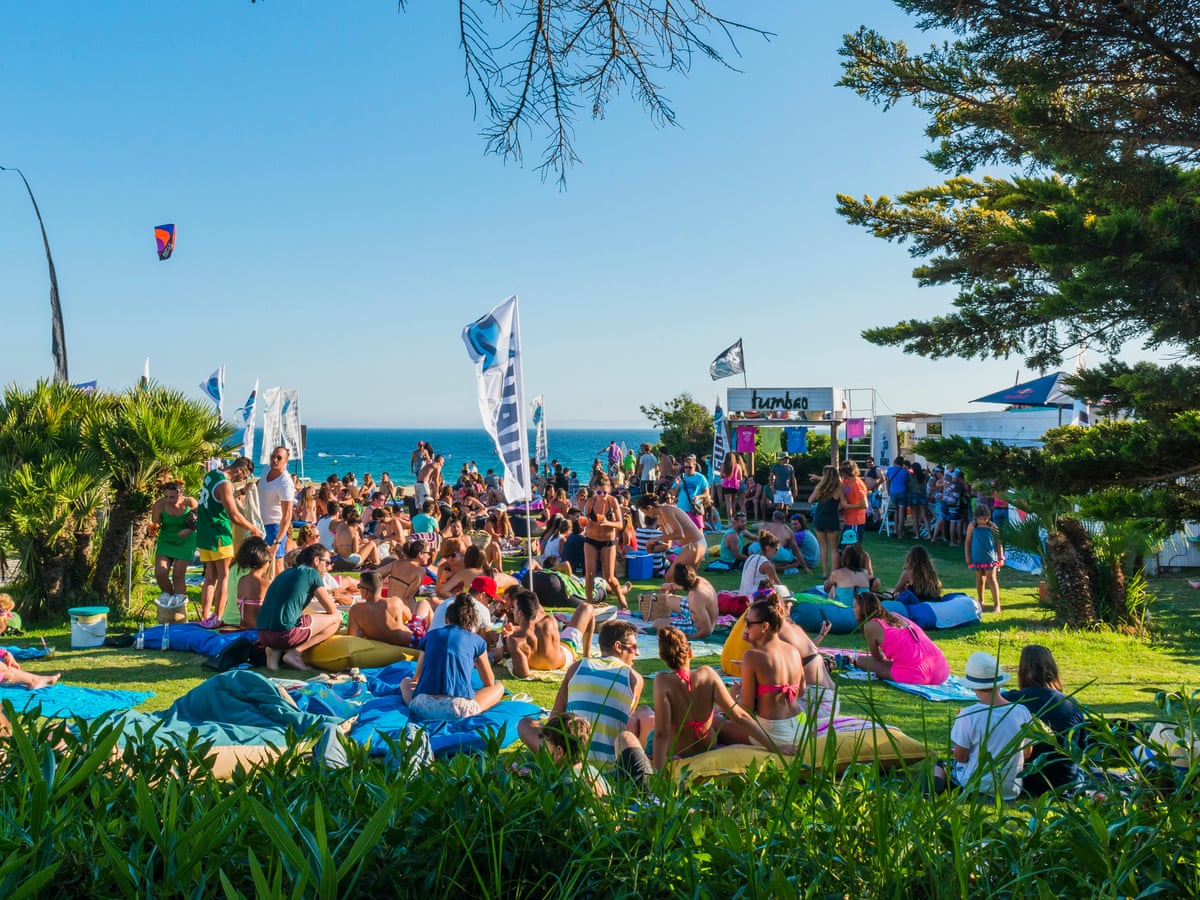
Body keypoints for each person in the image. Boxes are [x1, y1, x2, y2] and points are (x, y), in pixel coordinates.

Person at [641, 626, 772, 768]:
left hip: (678, 749)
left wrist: (659, 774)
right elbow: (739, 716)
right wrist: (773, 745)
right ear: (690, 652)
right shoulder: (707, 675)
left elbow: (661, 734)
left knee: (645, 720)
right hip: (705, 746)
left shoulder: (662, 681)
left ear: (662, 656)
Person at [518, 620, 644, 763]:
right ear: (618, 646)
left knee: (525, 723)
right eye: (634, 647)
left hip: (569, 760)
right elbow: (627, 726)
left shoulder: (577, 667)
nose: (637, 653)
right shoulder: (634, 679)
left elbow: (555, 717)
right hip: (609, 763)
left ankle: (555, 758)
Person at [939, 651, 1033, 800]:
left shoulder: (968, 715)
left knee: (941, 764)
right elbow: (1026, 753)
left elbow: (961, 757)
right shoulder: (1021, 711)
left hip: (977, 785)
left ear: (973, 686)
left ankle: (933, 788)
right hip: (1011, 789)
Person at [400, 592, 505, 720]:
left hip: (424, 707)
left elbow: (417, 678)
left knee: (405, 682)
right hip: (459, 710)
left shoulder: (430, 636)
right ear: (472, 622)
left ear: (446, 619)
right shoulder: (477, 641)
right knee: (498, 687)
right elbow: (489, 681)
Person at [720, 597, 805, 752]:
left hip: (774, 733)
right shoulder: (793, 650)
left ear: (765, 626)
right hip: (801, 725)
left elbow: (746, 712)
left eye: (749, 624)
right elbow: (802, 691)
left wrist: (733, 696)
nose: (745, 628)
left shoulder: (751, 657)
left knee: (714, 724)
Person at [1002, 644, 1085, 796]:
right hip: (1064, 780)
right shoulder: (1071, 704)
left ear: (1022, 670)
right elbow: (1081, 749)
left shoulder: (1009, 701)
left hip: (1024, 779)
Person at [196, 457, 262, 628]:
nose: (241, 480)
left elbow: (218, 499)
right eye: (243, 476)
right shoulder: (224, 484)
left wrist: (240, 492)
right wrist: (253, 528)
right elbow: (234, 515)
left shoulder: (211, 475)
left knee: (210, 577)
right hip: (219, 533)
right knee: (224, 576)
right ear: (240, 470)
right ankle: (218, 616)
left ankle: (205, 616)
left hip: (205, 533)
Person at [256, 544, 342, 671]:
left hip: (263, 633)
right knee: (336, 618)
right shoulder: (312, 573)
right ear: (316, 560)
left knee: (286, 621)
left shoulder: (285, 573)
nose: (328, 568)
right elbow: (332, 610)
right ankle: (296, 653)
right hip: (284, 634)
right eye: (327, 563)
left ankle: (273, 655)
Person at [846, 591, 950, 685]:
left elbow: (877, 658)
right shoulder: (895, 616)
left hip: (917, 675)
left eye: (855, 607)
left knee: (861, 660)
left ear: (863, 609)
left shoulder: (870, 626)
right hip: (941, 671)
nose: (852, 610)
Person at [504, 588, 597, 675]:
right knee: (587, 607)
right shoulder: (548, 621)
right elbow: (533, 628)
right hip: (562, 659)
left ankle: (586, 658)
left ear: (520, 613)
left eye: (513, 608)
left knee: (586, 607)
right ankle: (586, 657)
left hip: (557, 654)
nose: (512, 611)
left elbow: (522, 673)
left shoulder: (515, 640)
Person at [582, 474, 629, 610]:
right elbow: (586, 520)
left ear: (608, 491)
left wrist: (608, 522)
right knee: (589, 574)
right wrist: (584, 524)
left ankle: (622, 600)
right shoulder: (591, 502)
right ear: (595, 490)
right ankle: (589, 605)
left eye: (604, 492)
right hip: (591, 539)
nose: (602, 495)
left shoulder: (612, 501)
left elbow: (620, 524)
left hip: (608, 541)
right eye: (599, 492)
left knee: (609, 577)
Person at [151, 481, 198, 603]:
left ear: (180, 494)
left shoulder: (190, 502)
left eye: (172, 497)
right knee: (160, 572)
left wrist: (188, 530)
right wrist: (152, 529)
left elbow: (199, 520)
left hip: (186, 541)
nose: (168, 500)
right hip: (166, 540)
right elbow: (155, 524)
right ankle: (171, 597)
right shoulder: (159, 505)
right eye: (166, 496)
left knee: (178, 575)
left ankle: (180, 607)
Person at [375, 539, 435, 631]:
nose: (429, 556)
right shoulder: (420, 570)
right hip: (403, 615)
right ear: (420, 554)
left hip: (387, 609)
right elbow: (409, 597)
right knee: (425, 604)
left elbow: (375, 574)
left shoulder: (397, 563)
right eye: (428, 553)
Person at [636, 493, 706, 570]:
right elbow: (667, 544)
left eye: (644, 512)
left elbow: (680, 534)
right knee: (682, 578)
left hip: (696, 544)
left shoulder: (666, 510)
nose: (646, 515)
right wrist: (651, 548)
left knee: (672, 576)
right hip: (689, 546)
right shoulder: (660, 518)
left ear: (649, 508)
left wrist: (657, 538)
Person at [648, 563, 718, 639]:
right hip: (696, 612)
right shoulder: (699, 580)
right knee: (664, 599)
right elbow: (686, 583)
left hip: (696, 627)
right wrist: (671, 585)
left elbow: (707, 630)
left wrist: (688, 638)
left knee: (657, 623)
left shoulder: (696, 598)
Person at [348, 570, 419, 646]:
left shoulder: (355, 610)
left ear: (366, 591)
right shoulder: (395, 601)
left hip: (390, 643)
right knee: (423, 604)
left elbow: (353, 637)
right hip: (411, 641)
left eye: (359, 586)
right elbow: (409, 617)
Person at [258, 446, 296, 576]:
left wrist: (278, 541)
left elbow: (287, 515)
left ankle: (281, 594)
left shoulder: (285, 483)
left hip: (275, 527)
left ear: (286, 461)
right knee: (260, 562)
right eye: (273, 456)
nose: (275, 460)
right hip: (260, 524)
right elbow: (261, 484)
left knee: (276, 563)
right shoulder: (266, 469)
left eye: (279, 458)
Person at [966, 505, 1005, 613]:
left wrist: (1001, 557)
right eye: (980, 519)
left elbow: (998, 543)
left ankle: (997, 605)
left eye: (985, 519)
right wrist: (968, 556)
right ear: (976, 517)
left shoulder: (993, 527)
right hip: (977, 556)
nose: (983, 521)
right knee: (979, 579)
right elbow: (968, 542)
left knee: (991, 578)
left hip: (990, 557)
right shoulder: (972, 526)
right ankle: (980, 601)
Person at [808, 466, 843, 579]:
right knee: (833, 548)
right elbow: (842, 504)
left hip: (819, 517)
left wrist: (818, 483)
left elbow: (810, 500)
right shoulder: (839, 488)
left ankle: (824, 573)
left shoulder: (820, 487)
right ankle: (833, 573)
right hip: (831, 518)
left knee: (823, 547)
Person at [234, 536, 272, 624]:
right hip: (258, 629)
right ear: (264, 562)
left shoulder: (242, 579)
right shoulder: (266, 582)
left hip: (243, 626)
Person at [673, 454, 711, 531]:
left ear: (694, 466)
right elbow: (674, 493)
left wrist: (699, 497)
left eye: (690, 467)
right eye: (685, 467)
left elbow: (707, 493)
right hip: (682, 508)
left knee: (699, 531)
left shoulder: (700, 478)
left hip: (695, 508)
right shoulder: (681, 477)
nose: (687, 469)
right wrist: (677, 485)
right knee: (682, 531)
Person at [739, 531, 782, 596]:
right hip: (753, 599)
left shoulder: (751, 557)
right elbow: (778, 585)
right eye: (776, 549)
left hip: (742, 595)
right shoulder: (766, 564)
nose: (776, 553)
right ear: (768, 547)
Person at [838, 459, 869, 543]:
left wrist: (847, 506)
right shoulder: (847, 482)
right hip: (848, 519)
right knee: (843, 547)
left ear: (846, 472)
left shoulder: (857, 484)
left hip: (856, 520)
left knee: (852, 547)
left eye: (842, 471)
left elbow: (864, 504)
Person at [886, 456, 912, 539]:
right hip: (903, 492)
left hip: (893, 492)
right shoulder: (905, 472)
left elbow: (887, 482)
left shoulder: (890, 470)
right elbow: (908, 483)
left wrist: (889, 492)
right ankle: (900, 533)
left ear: (895, 462)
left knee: (896, 511)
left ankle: (895, 530)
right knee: (901, 513)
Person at [719, 452, 745, 521]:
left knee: (728, 503)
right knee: (733, 503)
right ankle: (734, 518)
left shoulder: (724, 465)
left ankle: (729, 519)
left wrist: (725, 476)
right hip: (735, 486)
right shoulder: (738, 466)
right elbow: (740, 477)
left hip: (726, 485)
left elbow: (721, 476)